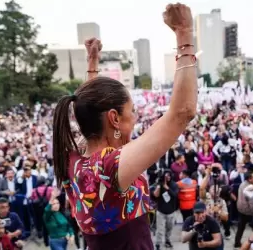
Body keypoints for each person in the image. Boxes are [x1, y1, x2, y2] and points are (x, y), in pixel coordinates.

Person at [52, 4, 197, 249]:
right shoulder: (110, 167)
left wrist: (92, 65)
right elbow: (182, 113)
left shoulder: (74, 156)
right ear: (114, 119)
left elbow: (90, 109)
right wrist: (184, 34)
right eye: (132, 111)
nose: (136, 117)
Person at [153, 169, 179, 250]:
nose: (167, 177)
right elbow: (155, 195)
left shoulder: (174, 184)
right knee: (159, 230)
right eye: (166, 175)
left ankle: (167, 240)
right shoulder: (159, 184)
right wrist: (159, 186)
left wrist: (167, 188)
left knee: (169, 228)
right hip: (161, 211)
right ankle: (158, 244)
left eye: (169, 175)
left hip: (171, 211)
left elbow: (175, 195)